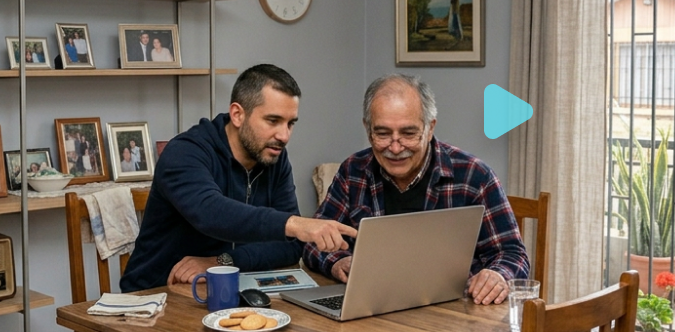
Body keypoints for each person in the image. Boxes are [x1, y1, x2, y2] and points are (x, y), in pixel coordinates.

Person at [119, 64, 358, 292]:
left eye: (290, 123)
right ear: (237, 114)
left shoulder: (273, 156)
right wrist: (295, 224)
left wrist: (223, 262)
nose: (284, 136)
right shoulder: (184, 152)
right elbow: (211, 213)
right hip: (155, 294)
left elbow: (289, 247)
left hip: (226, 288)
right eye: (273, 121)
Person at [303, 74, 529, 305]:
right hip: (372, 307)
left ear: (430, 128)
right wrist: (337, 262)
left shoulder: (475, 175)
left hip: (452, 312)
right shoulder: (353, 171)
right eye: (382, 133)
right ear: (367, 128)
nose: (395, 146)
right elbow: (313, 242)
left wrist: (497, 275)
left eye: (408, 133)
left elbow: (513, 255)